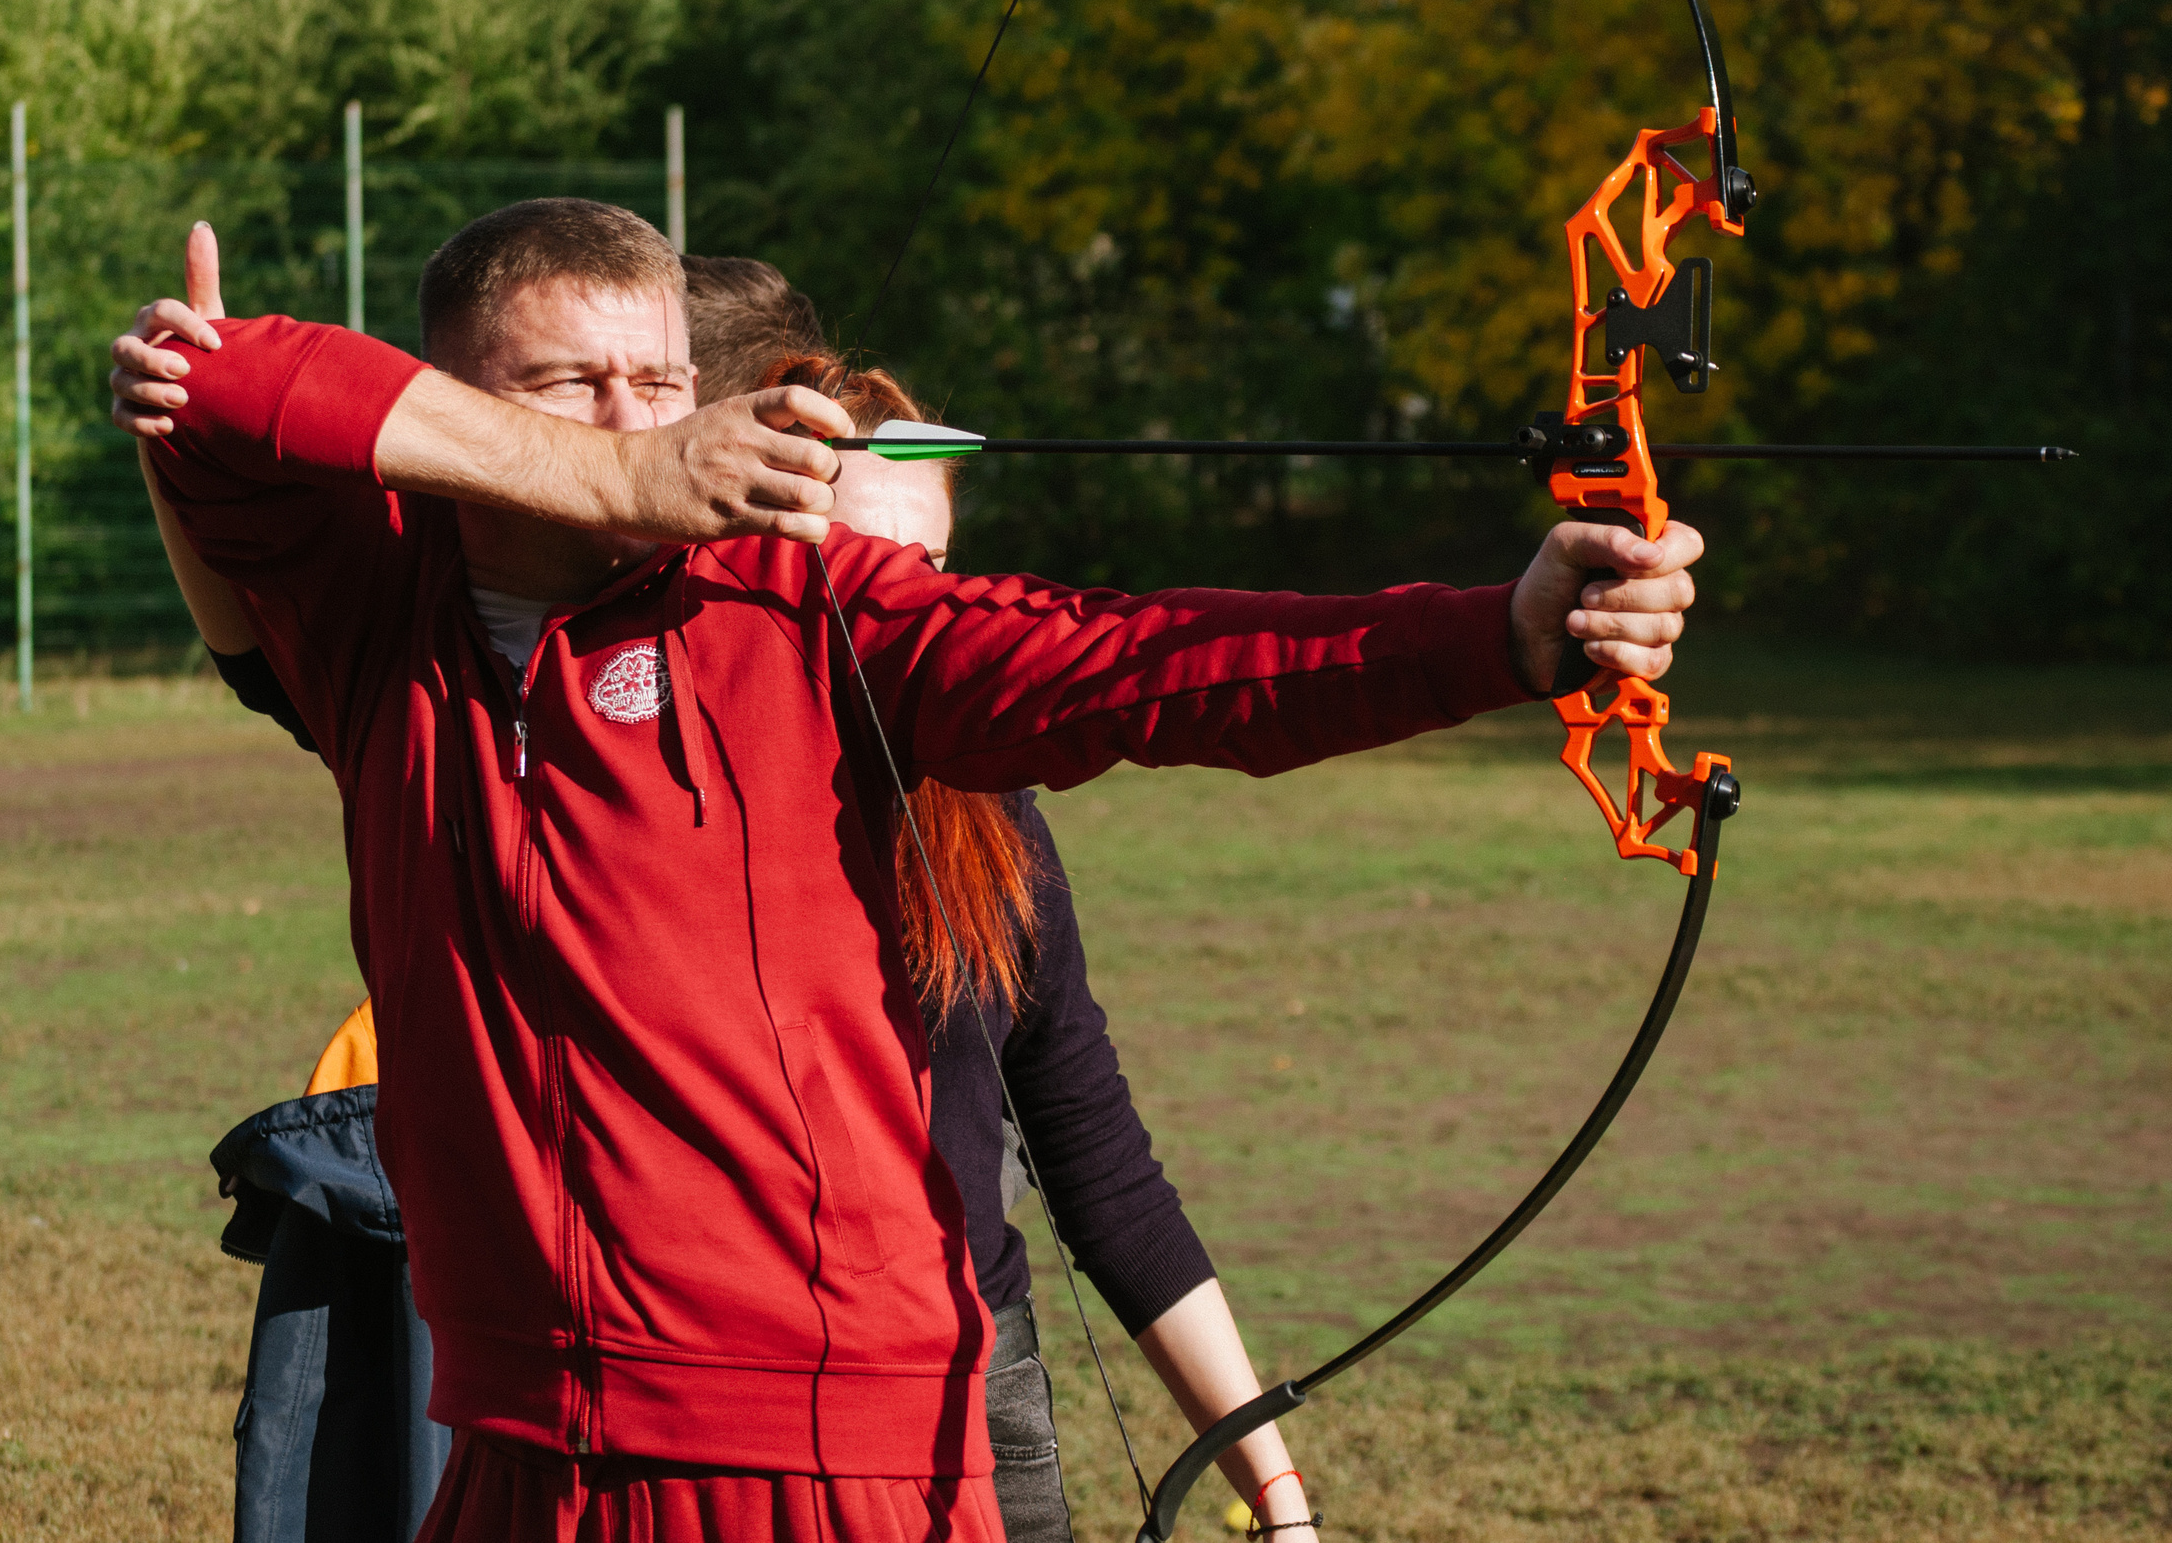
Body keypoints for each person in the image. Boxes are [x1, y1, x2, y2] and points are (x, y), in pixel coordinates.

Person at [109, 198, 1702, 1543]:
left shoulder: (810, 609)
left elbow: (1143, 665)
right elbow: (227, 392)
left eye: (658, 382)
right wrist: (623, 481)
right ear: (459, 401)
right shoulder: (379, 627)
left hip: (820, 1456)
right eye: (570, 383)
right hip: (524, 1440)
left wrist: (1500, 636)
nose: (632, 416)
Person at [150, 256, 1317, 1539]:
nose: (901, 598)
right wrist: (614, 475)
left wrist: (1274, 1485)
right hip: (631, 1408)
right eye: (855, 556)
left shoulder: (991, 827)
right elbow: (238, 451)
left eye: (932, 565)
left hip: (962, 1398)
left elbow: (1101, 1166)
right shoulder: (522, 696)